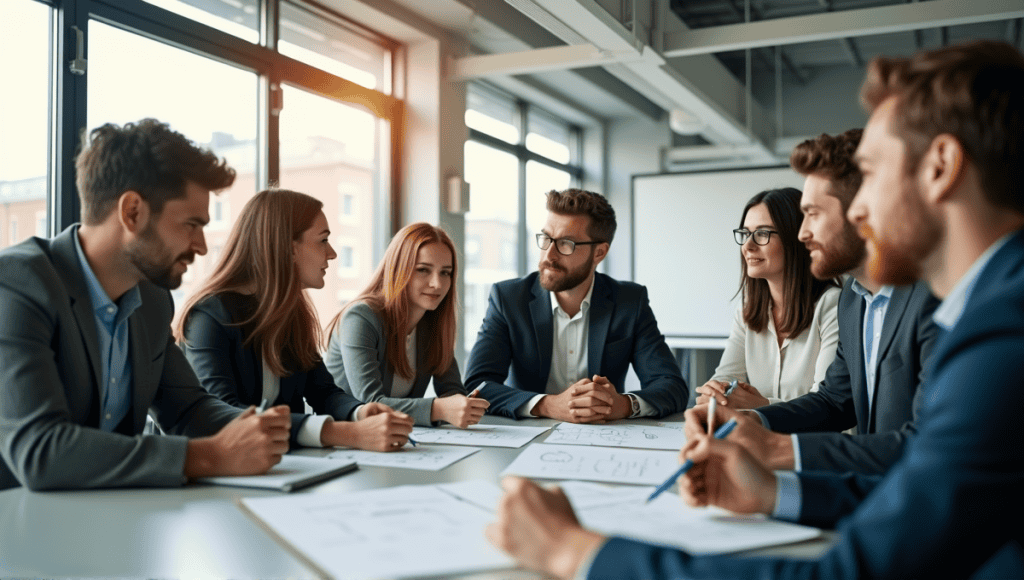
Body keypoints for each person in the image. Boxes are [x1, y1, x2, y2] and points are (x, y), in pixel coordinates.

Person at [485, 40, 1024, 579]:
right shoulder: (980, 304)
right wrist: (772, 486)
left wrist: (575, 553)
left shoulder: (1004, 327)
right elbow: (919, 493)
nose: (859, 208)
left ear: (941, 167)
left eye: (873, 174)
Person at [0, 119, 291, 491]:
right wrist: (210, 456)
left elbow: (188, 410)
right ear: (133, 212)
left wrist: (279, 428)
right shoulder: (18, 284)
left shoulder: (152, 301)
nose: (201, 246)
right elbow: (41, 451)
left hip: (113, 520)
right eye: (191, 225)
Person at [689, 130, 942, 475]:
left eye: (813, 214)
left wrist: (777, 448)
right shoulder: (854, 303)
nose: (803, 233)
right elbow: (834, 402)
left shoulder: (932, 300)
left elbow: (928, 445)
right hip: (871, 490)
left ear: (863, 212)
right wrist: (751, 420)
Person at [178, 189, 414, 452]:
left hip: (286, 466)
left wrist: (360, 413)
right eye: (323, 240)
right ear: (289, 249)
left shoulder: (291, 313)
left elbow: (323, 391)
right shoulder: (209, 317)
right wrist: (343, 433)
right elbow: (224, 414)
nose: (332, 253)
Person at [464, 188, 687, 422]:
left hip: (602, 437)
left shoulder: (629, 302)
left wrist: (621, 405)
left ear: (599, 252)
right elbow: (477, 385)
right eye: (546, 238)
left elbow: (672, 386)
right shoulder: (509, 298)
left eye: (566, 243)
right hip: (526, 437)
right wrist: (548, 405)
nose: (549, 255)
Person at [324, 223, 486, 427]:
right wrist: (441, 409)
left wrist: (464, 405)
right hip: (346, 439)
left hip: (399, 438)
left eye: (445, 272)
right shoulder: (360, 318)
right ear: (398, 270)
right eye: (423, 270)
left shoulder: (432, 323)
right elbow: (370, 404)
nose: (437, 283)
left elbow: (451, 390)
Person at [696, 188, 841, 408]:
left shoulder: (832, 305)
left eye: (763, 233)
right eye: (745, 234)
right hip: (760, 439)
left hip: (815, 442)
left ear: (796, 238)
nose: (747, 246)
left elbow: (826, 405)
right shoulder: (748, 308)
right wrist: (716, 392)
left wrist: (762, 405)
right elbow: (726, 377)